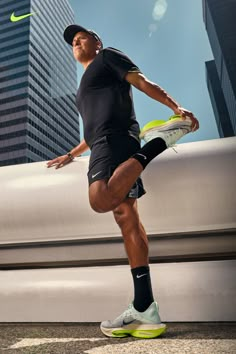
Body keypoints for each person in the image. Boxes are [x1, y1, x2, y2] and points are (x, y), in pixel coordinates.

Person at [47, 24, 199, 339]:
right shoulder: (84, 85)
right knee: (126, 216)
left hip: (115, 141)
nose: (76, 41)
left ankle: (161, 140)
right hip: (103, 142)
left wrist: (174, 108)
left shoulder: (108, 57)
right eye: (72, 42)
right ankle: (145, 308)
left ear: (97, 42)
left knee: (100, 199)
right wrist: (71, 153)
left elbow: (141, 82)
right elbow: (91, 127)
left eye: (82, 36)